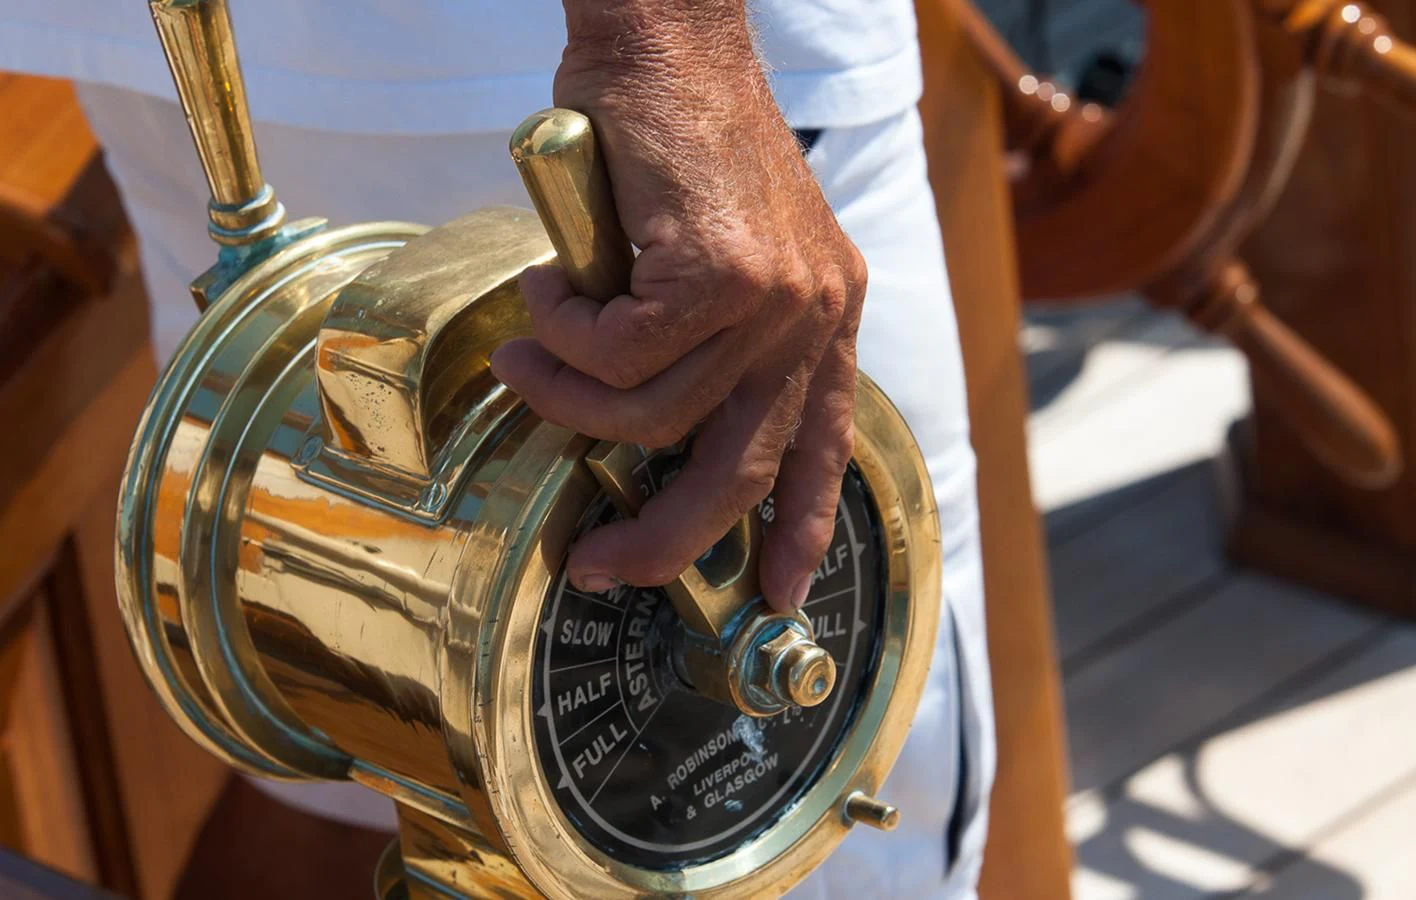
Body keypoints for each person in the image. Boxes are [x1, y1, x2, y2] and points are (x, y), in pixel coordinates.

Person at [0, 2, 994, 896]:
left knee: (389, 698)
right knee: (817, 790)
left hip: (185, 54)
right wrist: (666, 42)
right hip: (568, 66)